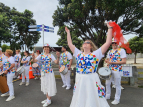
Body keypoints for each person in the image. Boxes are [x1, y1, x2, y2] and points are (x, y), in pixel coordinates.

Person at [65, 22, 112, 107]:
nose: (85, 43)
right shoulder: (78, 53)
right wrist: (68, 33)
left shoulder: (96, 54)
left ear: (91, 46)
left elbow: (108, 42)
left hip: (91, 79)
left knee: (92, 99)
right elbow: (70, 44)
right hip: (80, 79)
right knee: (80, 98)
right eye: (84, 42)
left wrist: (110, 28)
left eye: (87, 42)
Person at [105, 40, 126, 105]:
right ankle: (107, 95)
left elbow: (124, 61)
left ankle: (117, 99)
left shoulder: (122, 50)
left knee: (117, 85)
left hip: (117, 70)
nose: (114, 44)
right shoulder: (110, 51)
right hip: (110, 70)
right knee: (107, 83)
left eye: (115, 43)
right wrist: (106, 61)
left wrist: (112, 62)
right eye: (112, 43)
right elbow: (108, 59)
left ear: (118, 43)